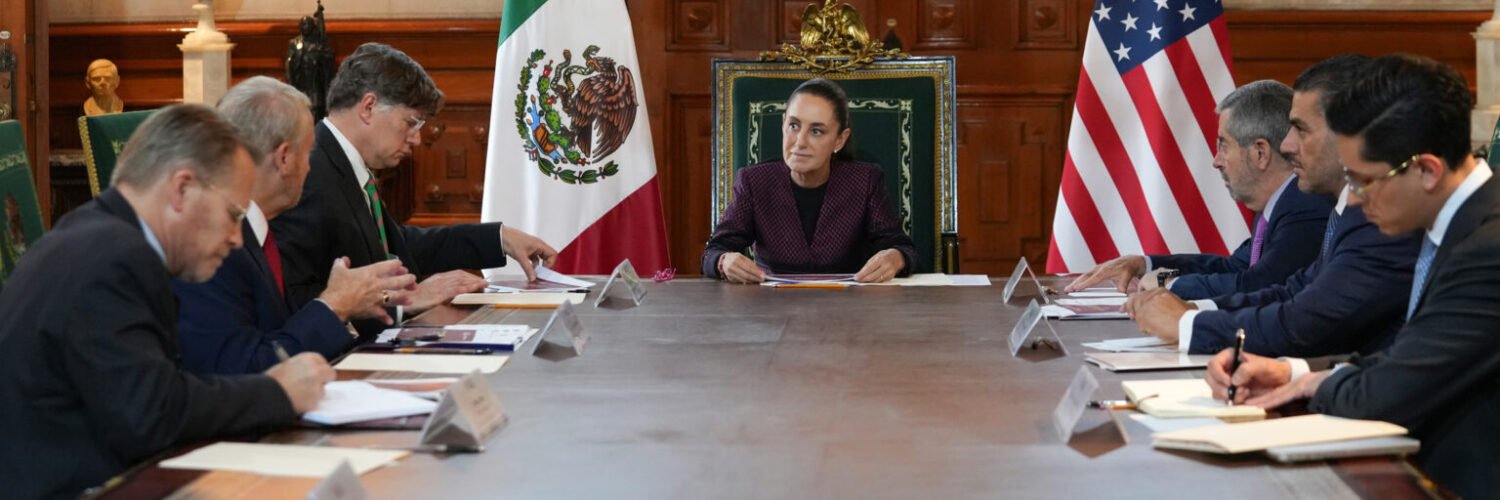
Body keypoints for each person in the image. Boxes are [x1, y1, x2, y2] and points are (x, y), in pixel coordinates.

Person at [0, 104, 334, 498]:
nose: (236, 239)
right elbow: (151, 414)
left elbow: (155, 390)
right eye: (233, 214)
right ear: (182, 189)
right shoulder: (116, 258)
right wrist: (276, 392)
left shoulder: (100, 235)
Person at [1205, 54, 1500, 498]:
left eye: (1364, 181)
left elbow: (1392, 390)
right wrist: (1292, 372)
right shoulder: (1459, 221)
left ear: (1427, 170)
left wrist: (1309, 383)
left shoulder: (1487, 249)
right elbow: (1414, 353)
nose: (1356, 201)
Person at [1125, 55, 1420, 358]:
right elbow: (1292, 292)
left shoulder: (1374, 219)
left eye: (1300, 129)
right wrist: (1192, 309)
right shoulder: (1344, 212)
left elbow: (1302, 323)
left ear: (1351, 136)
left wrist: (1188, 323)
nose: (1287, 145)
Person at [271, 43, 557, 335]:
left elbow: (398, 248)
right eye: (410, 123)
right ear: (368, 107)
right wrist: (400, 301)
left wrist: (499, 238)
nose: (417, 139)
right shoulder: (308, 173)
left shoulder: (341, 163)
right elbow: (291, 298)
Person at [174, 76, 417, 375]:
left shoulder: (255, 230)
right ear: (285, 158)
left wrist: (349, 303)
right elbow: (245, 370)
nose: (310, 167)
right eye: (308, 153)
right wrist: (335, 305)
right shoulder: (214, 244)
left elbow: (278, 336)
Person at [1064, 80, 1330, 299]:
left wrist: (1169, 284)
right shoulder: (1282, 202)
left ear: (1260, 153)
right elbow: (1234, 268)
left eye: (1223, 146)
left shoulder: (1306, 207)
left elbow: (1259, 285)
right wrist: (1145, 264)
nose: (1216, 161)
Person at [701, 78, 917, 283]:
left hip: (848, 302)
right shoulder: (754, 182)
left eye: (816, 131)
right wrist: (723, 261)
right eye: (794, 126)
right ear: (783, 124)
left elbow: (903, 248)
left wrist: (895, 257)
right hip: (772, 303)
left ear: (840, 140)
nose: (800, 142)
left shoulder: (865, 181)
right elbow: (713, 251)